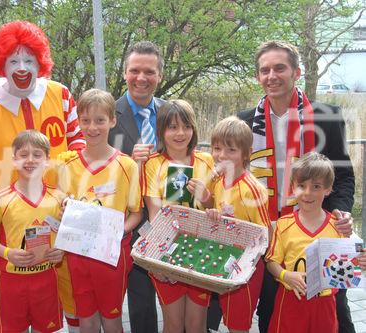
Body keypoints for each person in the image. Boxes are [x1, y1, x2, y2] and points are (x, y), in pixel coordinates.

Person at [0, 20, 85, 331]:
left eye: (29, 59)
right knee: (16, 303)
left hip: (62, 214)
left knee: (69, 296)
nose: (22, 67)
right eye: (13, 60)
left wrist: (81, 197)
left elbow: (79, 146)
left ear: (40, 61)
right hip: (11, 221)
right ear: (1, 62)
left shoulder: (62, 94)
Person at [237, 40, 356, 333]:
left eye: (280, 68)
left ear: (297, 72)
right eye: (264, 70)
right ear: (257, 77)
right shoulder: (243, 123)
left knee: (336, 313)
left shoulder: (326, 117)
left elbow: (343, 177)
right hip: (268, 235)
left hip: (316, 230)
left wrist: (340, 213)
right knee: (270, 313)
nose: (271, 75)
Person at [58, 88, 142, 333]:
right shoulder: (68, 165)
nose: (92, 127)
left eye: (99, 120)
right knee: (87, 319)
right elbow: (62, 207)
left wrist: (117, 231)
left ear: (112, 121)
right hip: (78, 255)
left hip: (112, 255)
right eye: (85, 120)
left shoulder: (126, 165)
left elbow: (136, 213)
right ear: (78, 121)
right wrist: (65, 209)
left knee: (112, 319)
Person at [265, 152, 366, 333]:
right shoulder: (283, 225)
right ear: (293, 187)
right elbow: (271, 262)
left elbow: (354, 263)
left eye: (316, 186)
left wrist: (361, 261)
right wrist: (284, 276)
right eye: (301, 186)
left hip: (325, 304)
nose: (307, 193)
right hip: (291, 301)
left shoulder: (338, 227)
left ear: (328, 189)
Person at [142, 100, 216, 332]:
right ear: (162, 130)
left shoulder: (208, 160)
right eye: (172, 127)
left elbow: (216, 209)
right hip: (167, 249)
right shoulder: (152, 164)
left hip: (202, 250)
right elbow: (154, 212)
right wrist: (160, 259)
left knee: (196, 325)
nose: (180, 133)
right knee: (173, 325)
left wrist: (205, 198)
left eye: (186, 126)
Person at [0, 130, 65, 332]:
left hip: (46, 279)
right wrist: (7, 253)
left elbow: (68, 235)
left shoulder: (60, 198)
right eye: (23, 155)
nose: (30, 160)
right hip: (12, 281)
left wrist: (62, 251)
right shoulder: (0, 198)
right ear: (14, 160)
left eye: (37, 155)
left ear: (47, 160)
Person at [108, 40, 164, 333]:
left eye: (149, 72)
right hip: (128, 218)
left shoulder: (172, 114)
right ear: (125, 72)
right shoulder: (107, 115)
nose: (141, 78)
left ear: (160, 76)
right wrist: (129, 162)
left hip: (168, 216)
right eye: (135, 71)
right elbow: (95, 168)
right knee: (140, 300)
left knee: (177, 296)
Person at [205, 116, 272, 333]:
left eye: (231, 150)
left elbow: (265, 235)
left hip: (247, 266)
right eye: (217, 148)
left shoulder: (253, 190)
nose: (222, 155)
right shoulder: (217, 180)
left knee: (238, 324)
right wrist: (214, 214)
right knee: (228, 317)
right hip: (223, 257)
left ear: (246, 154)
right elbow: (218, 213)